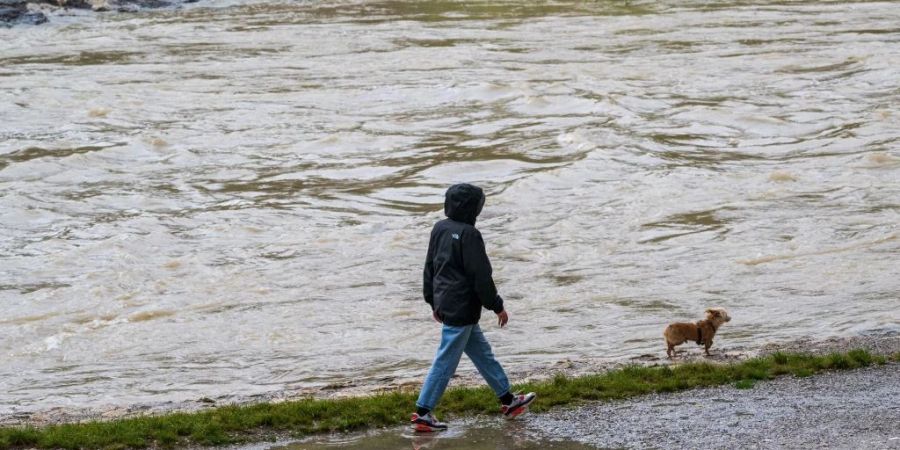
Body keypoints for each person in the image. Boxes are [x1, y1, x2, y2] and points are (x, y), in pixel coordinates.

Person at [411, 183, 536, 432]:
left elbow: (429, 268)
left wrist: (432, 301)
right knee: (445, 361)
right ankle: (423, 412)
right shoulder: (470, 234)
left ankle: (508, 401)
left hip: (447, 303)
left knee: (482, 354)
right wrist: (497, 306)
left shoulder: (439, 228)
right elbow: (481, 276)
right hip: (463, 308)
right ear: (472, 208)